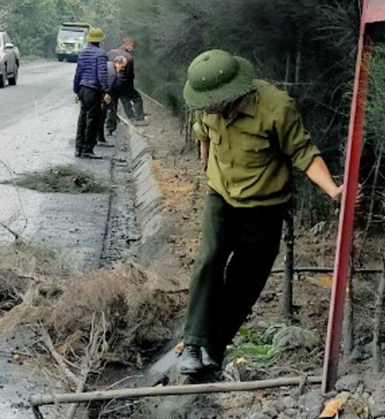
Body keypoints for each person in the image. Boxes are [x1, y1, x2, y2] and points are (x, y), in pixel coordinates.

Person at [178, 49, 342, 376]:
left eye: (213, 103)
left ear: (232, 94)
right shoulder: (207, 106)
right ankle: (193, 343)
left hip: (264, 206)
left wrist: (333, 190)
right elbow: (203, 131)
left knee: (246, 279)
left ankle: (215, 346)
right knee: (209, 260)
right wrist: (206, 158)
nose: (207, 107)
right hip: (221, 195)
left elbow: (304, 153)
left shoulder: (276, 107)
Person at [73, 27, 111, 159]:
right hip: (93, 90)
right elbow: (102, 74)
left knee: (82, 119)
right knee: (92, 120)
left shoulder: (82, 53)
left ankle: (78, 149)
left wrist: (76, 90)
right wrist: (106, 91)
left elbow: (78, 72)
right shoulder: (101, 54)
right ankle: (87, 149)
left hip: (83, 88)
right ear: (100, 40)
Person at [107, 38, 144, 134]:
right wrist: (131, 87)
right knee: (136, 98)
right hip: (123, 82)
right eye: (132, 46)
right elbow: (129, 76)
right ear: (127, 45)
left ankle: (110, 128)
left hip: (111, 83)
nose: (133, 48)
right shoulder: (129, 57)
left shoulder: (110, 53)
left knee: (113, 104)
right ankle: (138, 119)